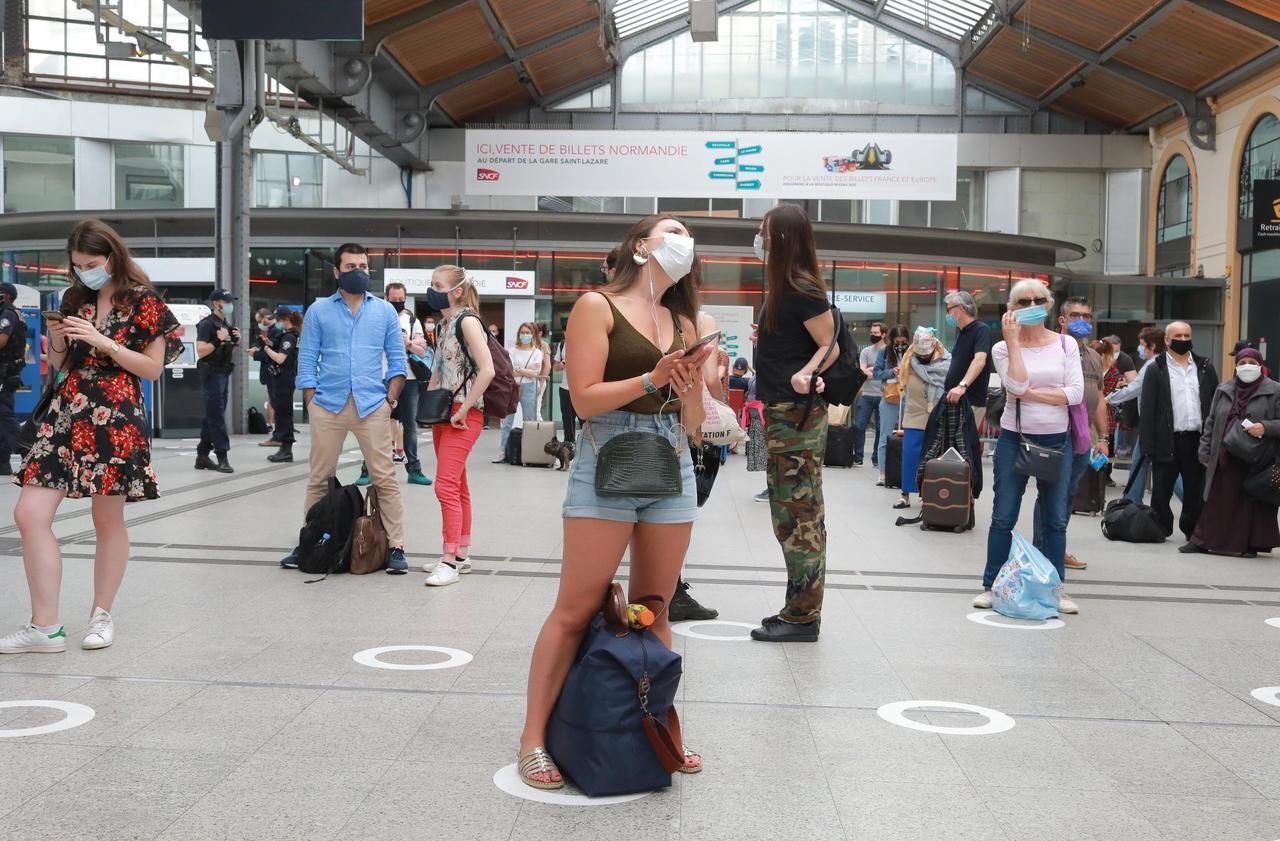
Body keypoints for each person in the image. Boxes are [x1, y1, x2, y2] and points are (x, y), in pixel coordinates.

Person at [519, 214, 712, 789]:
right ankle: (533, 736)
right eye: (671, 231)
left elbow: (695, 422)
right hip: (606, 457)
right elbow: (583, 398)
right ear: (640, 246)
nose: (682, 242)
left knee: (656, 605)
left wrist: (693, 390)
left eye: (686, 235)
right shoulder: (596, 306)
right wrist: (652, 380)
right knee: (577, 607)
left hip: (670, 460)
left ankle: (651, 728)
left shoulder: (683, 319)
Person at [2, 219, 182, 654]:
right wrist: (58, 339)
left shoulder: (145, 303)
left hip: (115, 414)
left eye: (92, 263)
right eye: (78, 264)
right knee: (30, 513)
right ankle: (45, 627)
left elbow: (153, 369)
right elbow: (63, 366)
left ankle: (102, 615)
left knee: (107, 519)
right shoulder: (74, 298)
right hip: (67, 410)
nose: (84, 271)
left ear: (112, 257)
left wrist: (104, 342)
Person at [285, 242, 410, 575]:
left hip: (372, 406)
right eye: (352, 266)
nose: (359, 272)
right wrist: (311, 401)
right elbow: (307, 359)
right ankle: (309, 542)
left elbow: (398, 363)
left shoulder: (384, 311)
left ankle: (395, 545)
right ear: (337, 271)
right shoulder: (319, 311)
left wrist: (390, 401)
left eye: (364, 266)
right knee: (319, 478)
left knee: (385, 478)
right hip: (328, 404)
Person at [749, 203, 837, 643]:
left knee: (798, 516)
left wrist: (806, 373)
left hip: (797, 416)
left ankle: (803, 618)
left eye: (764, 232)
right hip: (785, 415)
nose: (759, 239)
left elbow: (831, 345)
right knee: (790, 513)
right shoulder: (786, 288)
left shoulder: (801, 288)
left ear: (780, 237)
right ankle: (797, 609)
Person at [974, 280, 1083, 615]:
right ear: (1013, 308)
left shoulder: (1066, 345)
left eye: (1038, 299)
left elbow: (1075, 394)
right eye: (1024, 301)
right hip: (1015, 437)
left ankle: (1055, 587)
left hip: (1056, 439)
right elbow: (1015, 384)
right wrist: (1013, 341)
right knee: (1003, 515)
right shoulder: (1003, 347)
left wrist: (1031, 394)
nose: (1032, 304)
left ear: (1048, 304)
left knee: (1055, 518)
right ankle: (992, 586)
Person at [422, 266, 495, 586]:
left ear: (457, 291)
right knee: (458, 484)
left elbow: (488, 370)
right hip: (443, 412)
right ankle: (461, 553)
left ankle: (449, 560)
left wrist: (465, 407)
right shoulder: (445, 323)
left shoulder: (467, 321)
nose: (432, 289)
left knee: (445, 485)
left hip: (463, 414)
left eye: (438, 285)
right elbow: (439, 371)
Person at [1032, 297, 1109, 573]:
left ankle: (1055, 548)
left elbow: (1099, 398)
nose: (1082, 321)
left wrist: (1104, 439)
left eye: (1087, 317)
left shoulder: (1094, 356)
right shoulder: (1051, 350)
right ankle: (1042, 551)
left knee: (1067, 495)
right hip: (1054, 434)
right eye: (1076, 316)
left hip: (1083, 437)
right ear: (1062, 320)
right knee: (1052, 494)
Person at [1187, 348, 1280, 556]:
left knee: (1248, 503)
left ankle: (1246, 545)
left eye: (1252, 362)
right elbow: (1210, 422)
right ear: (1236, 365)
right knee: (1217, 501)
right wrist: (1205, 451)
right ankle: (1202, 540)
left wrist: (1265, 427)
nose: (1247, 366)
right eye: (1243, 362)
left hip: (1257, 457)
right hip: (1225, 454)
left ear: (1261, 365)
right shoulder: (1225, 388)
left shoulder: (1275, 390)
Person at [1135, 322, 1217, 549]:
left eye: (1187, 335)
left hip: (1197, 439)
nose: (1183, 338)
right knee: (1162, 487)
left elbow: (1215, 402)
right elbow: (1148, 409)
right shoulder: (1156, 368)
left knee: (1195, 488)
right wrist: (1147, 446)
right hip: (1167, 439)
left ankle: (1193, 530)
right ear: (1167, 341)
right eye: (1178, 335)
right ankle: (1161, 526)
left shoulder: (1204, 367)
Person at [373, 281, 432, 486]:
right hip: (381, 376)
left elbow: (422, 351)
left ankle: (414, 469)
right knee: (374, 424)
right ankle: (368, 468)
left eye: (400, 299)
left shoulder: (412, 320)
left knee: (410, 425)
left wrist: (406, 342)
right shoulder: (376, 318)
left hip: (409, 379)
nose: (397, 303)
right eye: (393, 299)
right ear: (386, 298)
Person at [895, 327, 950, 510]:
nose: (923, 358)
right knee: (910, 454)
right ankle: (905, 494)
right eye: (921, 355)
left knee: (935, 458)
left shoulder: (946, 361)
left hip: (936, 415)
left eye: (927, 354)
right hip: (914, 413)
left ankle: (930, 492)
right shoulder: (908, 361)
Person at [194, 288, 239, 473]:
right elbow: (201, 350)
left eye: (230, 301)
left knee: (212, 415)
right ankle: (222, 456)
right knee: (217, 416)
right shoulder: (207, 325)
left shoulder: (225, 324)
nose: (229, 305)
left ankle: (202, 455)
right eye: (225, 301)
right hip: (211, 374)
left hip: (223, 372)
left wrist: (235, 342)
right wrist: (218, 341)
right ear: (215, 304)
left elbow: (227, 351)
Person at [943, 291, 993, 432]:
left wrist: (962, 386)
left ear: (961, 308)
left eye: (949, 309)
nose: (948, 314)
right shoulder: (961, 332)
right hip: (956, 399)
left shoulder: (981, 330)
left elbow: (979, 360)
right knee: (952, 447)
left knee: (963, 447)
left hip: (970, 400)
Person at [496, 321, 544, 463]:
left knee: (529, 421)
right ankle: (503, 451)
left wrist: (520, 370)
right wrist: (526, 371)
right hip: (513, 387)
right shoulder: (512, 351)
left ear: (533, 335)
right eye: (522, 333)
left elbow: (536, 373)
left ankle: (530, 452)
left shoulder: (537, 352)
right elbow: (509, 372)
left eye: (528, 333)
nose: (525, 335)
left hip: (530, 388)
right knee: (507, 422)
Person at [263, 309, 301, 463]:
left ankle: (286, 448)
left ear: (285, 319)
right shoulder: (288, 334)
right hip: (283, 377)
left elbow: (280, 358)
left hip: (285, 378)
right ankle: (284, 448)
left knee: (284, 414)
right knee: (281, 412)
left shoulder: (290, 337)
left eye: (278, 319)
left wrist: (267, 349)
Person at [873, 325, 909, 487]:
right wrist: (891, 372)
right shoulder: (884, 352)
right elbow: (876, 373)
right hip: (890, 397)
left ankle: (905, 471)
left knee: (909, 436)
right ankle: (882, 472)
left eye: (903, 341)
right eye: (897, 341)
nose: (900, 345)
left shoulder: (912, 352)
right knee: (885, 436)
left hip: (908, 396)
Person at [0, 282, 26, 476]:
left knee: (5, 414)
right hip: (8, 371)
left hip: (4, 372)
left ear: (6, 295)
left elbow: (2, 340)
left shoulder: (8, 314)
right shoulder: (11, 313)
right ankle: (3, 461)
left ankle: (27, 451)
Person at [852, 321, 885, 467]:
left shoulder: (887, 352)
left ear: (883, 334)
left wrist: (873, 371)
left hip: (883, 395)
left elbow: (889, 373)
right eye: (872, 333)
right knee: (859, 425)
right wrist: (877, 372)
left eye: (876, 333)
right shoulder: (866, 351)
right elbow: (862, 371)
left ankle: (876, 458)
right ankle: (858, 457)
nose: (873, 335)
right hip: (866, 394)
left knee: (880, 428)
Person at [250, 307, 279, 443]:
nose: (259, 324)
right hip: (271, 372)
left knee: (275, 399)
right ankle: (275, 428)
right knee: (273, 399)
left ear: (266, 318)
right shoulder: (269, 333)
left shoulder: (275, 332)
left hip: (274, 372)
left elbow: (270, 354)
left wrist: (256, 354)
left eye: (260, 320)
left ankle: (276, 429)